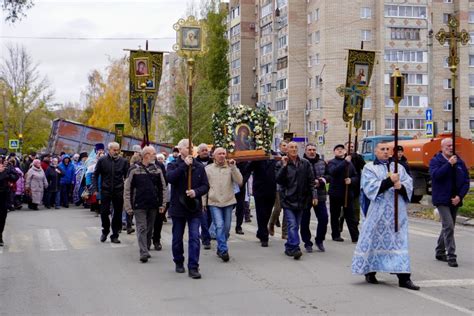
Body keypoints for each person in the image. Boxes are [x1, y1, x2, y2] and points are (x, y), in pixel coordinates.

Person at [352, 142, 419, 290]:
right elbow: (370, 188)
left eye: (388, 149)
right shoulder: (369, 168)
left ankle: (404, 278)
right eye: (382, 149)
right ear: (376, 152)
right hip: (378, 212)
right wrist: (389, 181)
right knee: (374, 240)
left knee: (399, 242)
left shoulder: (399, 167)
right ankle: (370, 271)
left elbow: (409, 185)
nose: (385, 152)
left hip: (397, 214)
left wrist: (400, 186)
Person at [166, 139, 209, 279]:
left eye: (192, 147)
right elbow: (170, 178)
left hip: (194, 208)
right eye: (187, 147)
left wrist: (195, 192)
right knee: (177, 238)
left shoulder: (199, 166)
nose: (190, 149)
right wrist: (184, 166)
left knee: (195, 237)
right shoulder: (173, 164)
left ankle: (193, 267)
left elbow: (205, 186)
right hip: (178, 208)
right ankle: (178, 261)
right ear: (180, 149)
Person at [429, 138, 470, 268]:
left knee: (448, 226)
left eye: (452, 145)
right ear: (442, 147)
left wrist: (460, 196)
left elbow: (466, 181)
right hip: (441, 199)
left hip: (455, 199)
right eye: (448, 145)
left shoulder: (460, 162)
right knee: (448, 225)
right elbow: (436, 176)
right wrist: (448, 164)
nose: (451, 147)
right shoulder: (436, 161)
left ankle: (440, 251)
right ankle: (451, 255)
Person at [124, 146, 167, 263]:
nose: (155, 156)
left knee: (149, 228)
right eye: (153, 154)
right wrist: (128, 206)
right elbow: (127, 189)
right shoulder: (133, 169)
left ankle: (147, 245)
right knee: (141, 227)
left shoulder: (157, 169)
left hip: (153, 204)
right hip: (139, 204)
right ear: (146, 155)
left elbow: (163, 187)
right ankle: (143, 251)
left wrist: (162, 204)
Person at [275, 141, 317, 260]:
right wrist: (284, 166)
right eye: (291, 147)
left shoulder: (305, 163)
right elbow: (278, 180)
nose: (293, 149)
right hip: (288, 199)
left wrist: (314, 195)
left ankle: (289, 246)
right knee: (292, 225)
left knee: (296, 225)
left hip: (302, 199)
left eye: (295, 147)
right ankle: (295, 248)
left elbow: (311, 181)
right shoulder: (282, 163)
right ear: (287, 150)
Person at [204, 148, 242, 262]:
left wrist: (234, 168)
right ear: (214, 156)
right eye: (219, 154)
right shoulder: (208, 169)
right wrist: (203, 202)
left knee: (226, 227)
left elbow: (239, 181)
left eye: (223, 154)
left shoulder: (230, 167)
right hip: (214, 201)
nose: (221, 156)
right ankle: (223, 249)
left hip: (228, 201)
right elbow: (204, 186)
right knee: (219, 225)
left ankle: (221, 246)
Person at [93, 142, 129, 244]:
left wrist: (126, 189)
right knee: (104, 212)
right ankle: (105, 231)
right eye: (114, 150)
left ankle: (115, 235)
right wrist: (95, 189)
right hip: (105, 190)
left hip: (118, 190)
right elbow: (95, 175)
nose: (116, 152)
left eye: (118, 150)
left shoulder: (123, 161)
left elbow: (127, 177)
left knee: (117, 214)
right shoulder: (102, 160)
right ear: (109, 150)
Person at [327, 144, 359, 243]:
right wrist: (345, 162)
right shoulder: (332, 162)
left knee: (351, 216)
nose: (340, 151)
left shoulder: (350, 164)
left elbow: (356, 176)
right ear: (334, 152)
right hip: (336, 193)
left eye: (342, 149)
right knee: (335, 215)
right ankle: (336, 234)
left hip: (347, 193)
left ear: (345, 151)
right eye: (337, 149)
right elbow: (334, 172)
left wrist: (351, 180)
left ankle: (355, 236)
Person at [300, 143, 329, 253]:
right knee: (304, 220)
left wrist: (321, 181)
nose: (312, 152)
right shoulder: (301, 162)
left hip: (320, 195)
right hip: (306, 195)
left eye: (313, 149)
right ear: (306, 151)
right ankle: (307, 242)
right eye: (309, 150)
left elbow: (329, 176)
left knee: (324, 218)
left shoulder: (322, 162)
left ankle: (319, 240)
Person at [245, 157, 277, 247]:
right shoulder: (257, 159)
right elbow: (248, 169)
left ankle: (260, 231)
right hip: (259, 190)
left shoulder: (274, 158)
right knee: (261, 213)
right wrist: (253, 160)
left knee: (267, 213)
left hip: (271, 190)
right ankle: (264, 237)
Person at [268, 140, 289, 238]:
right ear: (280, 146)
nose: (286, 147)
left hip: (288, 187)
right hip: (277, 187)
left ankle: (285, 233)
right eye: (284, 145)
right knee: (277, 208)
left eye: (287, 146)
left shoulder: (291, 157)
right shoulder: (276, 157)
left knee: (287, 210)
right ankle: (271, 223)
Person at [195, 143, 213, 249]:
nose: (205, 152)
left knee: (210, 218)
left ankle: (204, 234)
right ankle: (206, 240)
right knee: (204, 219)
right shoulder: (195, 163)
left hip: (212, 195)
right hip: (201, 195)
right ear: (198, 152)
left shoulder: (213, 162)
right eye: (203, 150)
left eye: (206, 150)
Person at [0, 158, 20, 246]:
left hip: (4, 195)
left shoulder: (8, 166)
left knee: (2, 217)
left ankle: (0, 236)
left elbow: (16, 176)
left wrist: (7, 174)